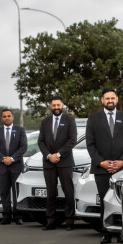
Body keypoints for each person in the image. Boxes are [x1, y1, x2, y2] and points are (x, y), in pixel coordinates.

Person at [86, 88, 123, 244]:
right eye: (107, 98)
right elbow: (90, 144)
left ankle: (122, 233)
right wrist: (102, 162)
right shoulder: (93, 119)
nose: (110, 101)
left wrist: (122, 161)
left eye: (112, 98)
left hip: (122, 169)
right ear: (102, 100)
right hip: (101, 169)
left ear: (116, 99)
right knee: (105, 200)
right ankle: (106, 232)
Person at [37, 96, 78, 231]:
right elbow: (40, 141)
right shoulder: (45, 122)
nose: (56, 107)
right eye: (54, 105)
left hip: (65, 161)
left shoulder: (70, 120)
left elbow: (72, 140)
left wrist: (58, 154)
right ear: (50, 106)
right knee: (50, 193)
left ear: (62, 105)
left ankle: (69, 221)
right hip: (49, 162)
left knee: (68, 192)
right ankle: (51, 221)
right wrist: (49, 156)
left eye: (58, 105)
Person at [0, 109, 27, 225]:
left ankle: (18, 215)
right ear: (1, 119)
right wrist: (3, 158)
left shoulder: (20, 130)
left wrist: (12, 158)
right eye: (4, 116)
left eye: (9, 116)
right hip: (2, 166)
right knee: (4, 192)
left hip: (16, 166)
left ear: (12, 117)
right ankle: (6, 216)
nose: (7, 118)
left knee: (17, 192)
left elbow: (23, 147)